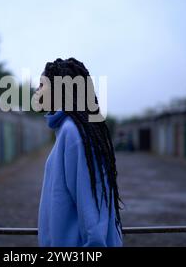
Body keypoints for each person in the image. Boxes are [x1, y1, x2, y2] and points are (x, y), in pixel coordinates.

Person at [36, 57, 124, 247]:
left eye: (41, 85)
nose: (36, 91)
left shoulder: (74, 133)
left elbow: (92, 216)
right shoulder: (67, 130)